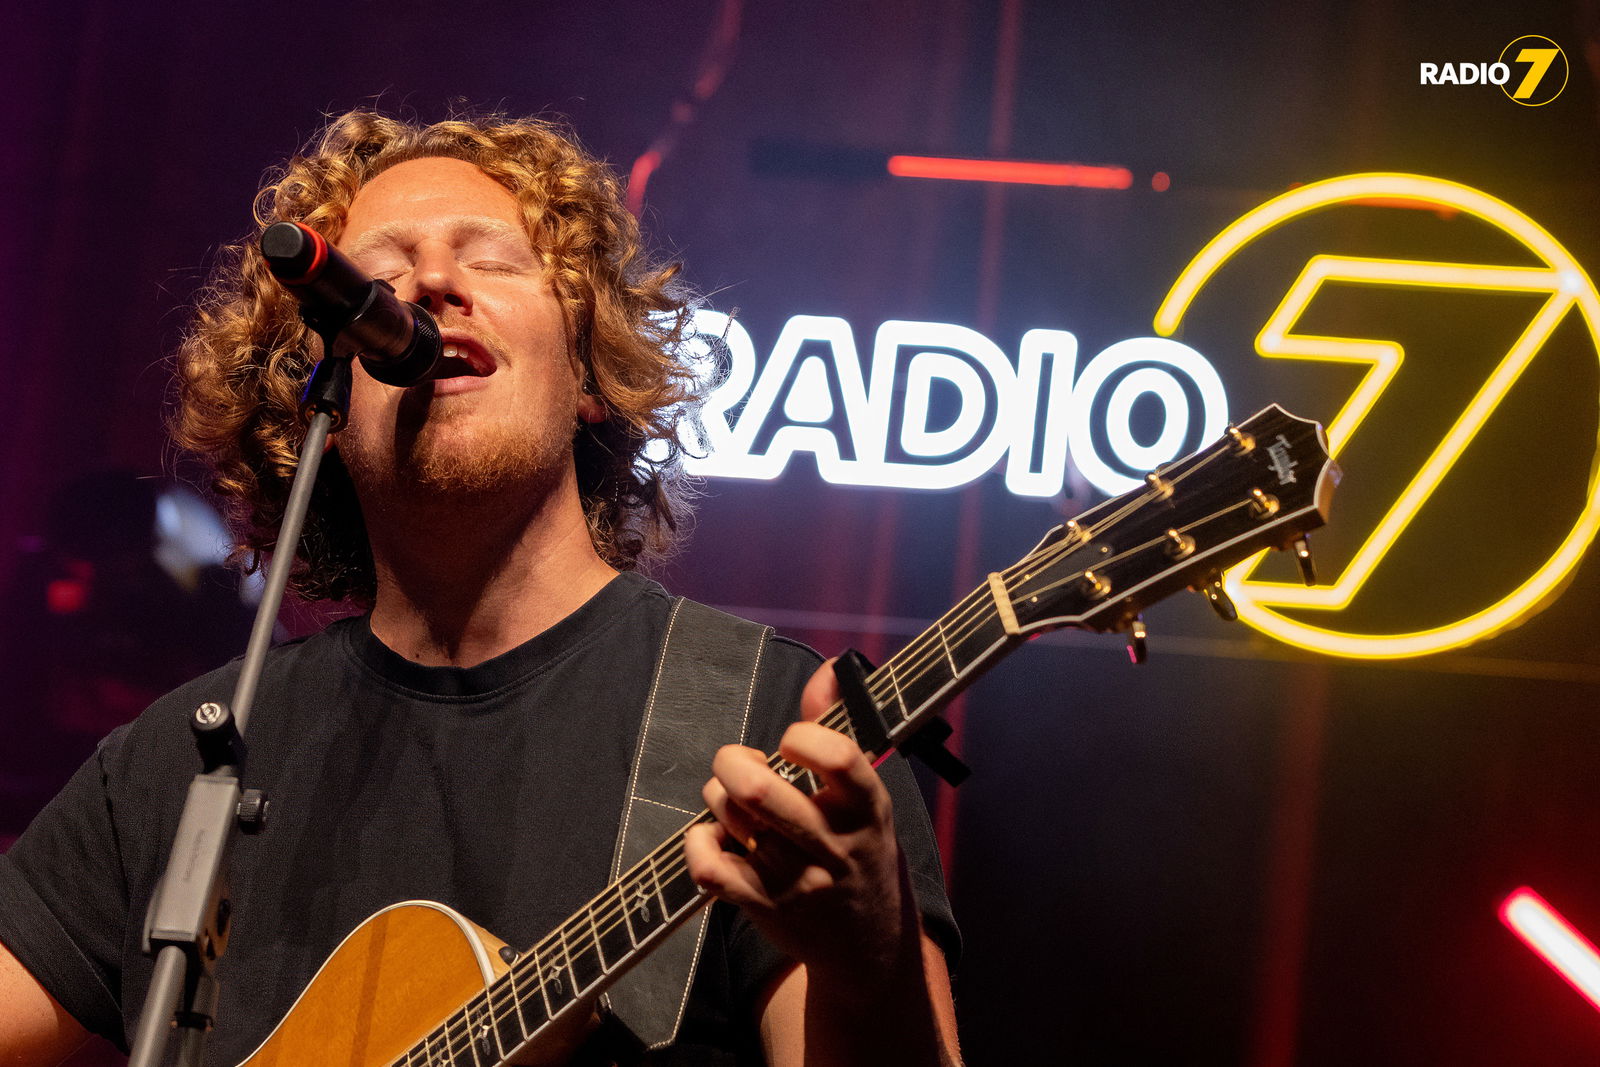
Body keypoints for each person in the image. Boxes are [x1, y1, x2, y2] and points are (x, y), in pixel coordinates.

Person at [0, 111, 960, 1065]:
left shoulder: (768, 724)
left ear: (587, 371)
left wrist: (868, 955)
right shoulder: (192, 756)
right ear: (318, 415)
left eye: (490, 258)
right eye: (376, 276)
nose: (430, 284)